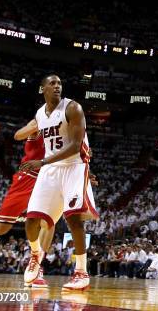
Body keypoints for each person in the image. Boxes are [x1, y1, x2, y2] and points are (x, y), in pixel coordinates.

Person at [20, 74, 99, 290]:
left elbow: (75, 146)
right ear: (41, 89)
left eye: (59, 83)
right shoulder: (39, 114)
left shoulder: (73, 108)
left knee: (74, 220)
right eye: (52, 83)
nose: (57, 86)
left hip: (74, 166)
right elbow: (21, 135)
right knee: (31, 220)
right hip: (51, 170)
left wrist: (42, 161)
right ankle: (36, 255)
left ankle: (81, 272)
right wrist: (43, 161)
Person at [0, 119, 54, 288]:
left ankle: (37, 267)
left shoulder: (65, 126)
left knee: (48, 222)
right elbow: (17, 135)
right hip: (28, 176)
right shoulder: (40, 120)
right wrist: (34, 128)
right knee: (1, 229)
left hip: (49, 179)